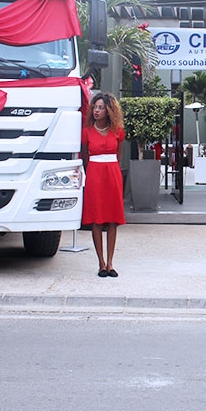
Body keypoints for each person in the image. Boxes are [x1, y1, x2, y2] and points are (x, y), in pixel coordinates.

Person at [81, 92, 126, 278]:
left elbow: (118, 155)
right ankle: (100, 263)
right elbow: (84, 156)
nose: (97, 110)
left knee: (113, 219)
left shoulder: (117, 131)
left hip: (112, 174)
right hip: (94, 174)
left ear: (109, 110)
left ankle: (110, 263)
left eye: (101, 107)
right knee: (96, 219)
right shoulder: (87, 132)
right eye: (95, 107)